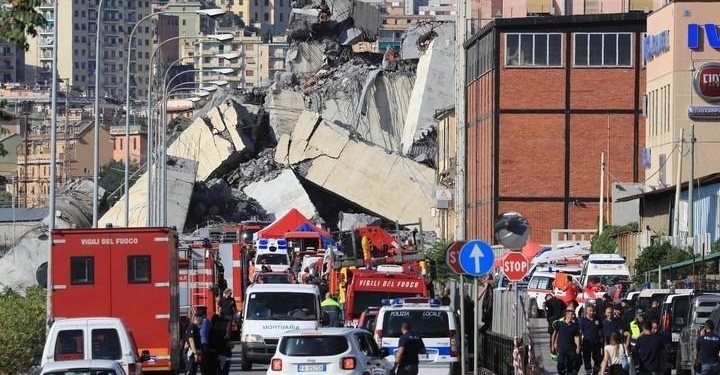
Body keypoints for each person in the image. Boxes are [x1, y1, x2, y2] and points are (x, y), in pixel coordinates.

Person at [552, 308, 581, 375]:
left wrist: (578, 347)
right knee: (561, 362)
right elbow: (555, 334)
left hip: (571, 348)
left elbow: (576, 337)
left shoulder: (575, 326)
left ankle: (569, 373)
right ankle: (561, 372)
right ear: (567, 315)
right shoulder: (560, 324)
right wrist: (553, 344)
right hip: (561, 347)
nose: (573, 316)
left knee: (570, 363)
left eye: (574, 315)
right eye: (572, 315)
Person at [579, 305, 603, 375]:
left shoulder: (598, 319)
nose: (592, 312)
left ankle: (595, 372)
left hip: (596, 342)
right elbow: (580, 332)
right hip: (587, 343)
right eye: (590, 311)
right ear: (586, 311)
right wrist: (579, 343)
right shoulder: (583, 320)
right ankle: (588, 372)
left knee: (598, 359)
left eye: (593, 311)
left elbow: (601, 331)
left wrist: (602, 341)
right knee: (587, 359)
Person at [197, 309, 216, 375]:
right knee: (206, 363)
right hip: (206, 345)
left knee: (203, 363)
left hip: (202, 345)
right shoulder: (208, 321)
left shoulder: (202, 322)